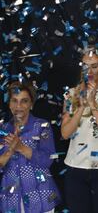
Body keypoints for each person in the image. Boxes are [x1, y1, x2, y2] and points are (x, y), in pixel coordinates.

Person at [60, 47, 98, 213]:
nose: (89, 71)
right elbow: (65, 133)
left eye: (94, 66)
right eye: (85, 66)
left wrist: (94, 105)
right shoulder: (71, 94)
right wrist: (81, 106)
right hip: (75, 168)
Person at [0, 81, 60, 213]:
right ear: (9, 104)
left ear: (31, 104)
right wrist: (10, 151)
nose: (18, 106)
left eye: (24, 101)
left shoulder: (42, 126)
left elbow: (47, 160)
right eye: (14, 101)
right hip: (11, 199)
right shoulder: (3, 129)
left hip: (40, 198)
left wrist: (21, 147)